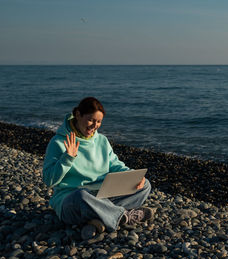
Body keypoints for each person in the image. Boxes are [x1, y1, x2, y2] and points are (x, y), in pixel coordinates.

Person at [43, 97, 153, 236]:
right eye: (90, 120)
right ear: (78, 115)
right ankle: (123, 216)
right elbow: (48, 180)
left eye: (99, 122)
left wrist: (133, 175)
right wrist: (67, 158)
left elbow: (115, 164)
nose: (94, 125)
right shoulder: (58, 142)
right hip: (71, 201)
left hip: (102, 196)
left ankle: (101, 217)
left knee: (145, 185)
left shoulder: (101, 141)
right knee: (81, 195)